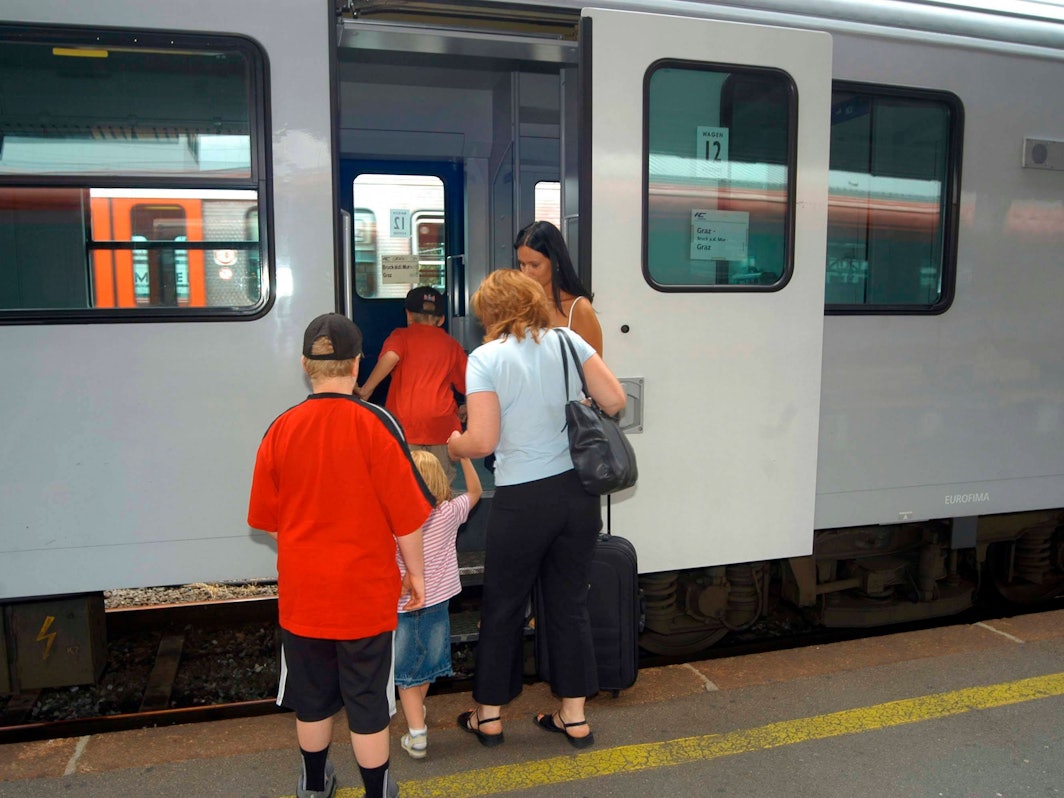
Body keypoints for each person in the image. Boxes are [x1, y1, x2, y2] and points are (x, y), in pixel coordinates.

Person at [247, 312, 435, 798]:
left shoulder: (281, 428)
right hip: (364, 595)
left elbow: (269, 520)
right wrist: (416, 575)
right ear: (357, 364)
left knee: (311, 700)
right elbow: (406, 518)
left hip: (304, 595)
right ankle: (377, 790)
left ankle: (314, 785)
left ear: (304, 364)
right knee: (368, 700)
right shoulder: (378, 423)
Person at [446, 270, 627, 750]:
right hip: (577, 496)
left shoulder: (485, 358)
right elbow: (615, 400)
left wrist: (455, 444)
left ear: (490, 313)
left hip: (522, 501)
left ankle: (489, 717)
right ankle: (574, 717)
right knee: (568, 603)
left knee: (504, 605)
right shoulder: (569, 341)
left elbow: (482, 440)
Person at [394, 450, 483, 759]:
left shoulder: (397, 520)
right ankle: (416, 712)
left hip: (405, 607)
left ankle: (417, 734)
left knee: (406, 675)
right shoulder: (449, 513)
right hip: (439, 604)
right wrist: (464, 458)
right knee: (427, 666)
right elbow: (475, 492)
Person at [357, 285, 468, 484]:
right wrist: (467, 406)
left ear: (408, 315)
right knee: (440, 482)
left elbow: (391, 356)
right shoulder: (451, 345)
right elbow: (470, 383)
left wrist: (366, 389)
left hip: (406, 425)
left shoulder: (401, 336)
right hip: (441, 426)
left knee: (406, 481)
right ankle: (441, 504)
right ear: (441, 319)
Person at [514, 220, 603, 357]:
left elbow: (595, 367)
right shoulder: (517, 305)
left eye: (534, 265)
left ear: (556, 262)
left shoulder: (579, 309)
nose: (526, 273)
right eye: (522, 264)